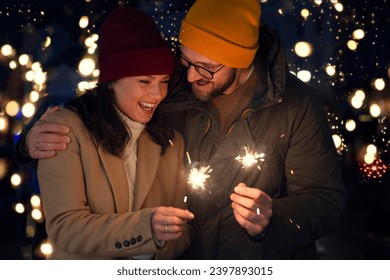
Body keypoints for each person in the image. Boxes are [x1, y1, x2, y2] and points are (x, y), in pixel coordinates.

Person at [16, 0, 347, 259]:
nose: (189, 77)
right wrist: (29, 143)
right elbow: (109, 98)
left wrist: (274, 217)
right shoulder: (172, 83)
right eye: (186, 60)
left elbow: (326, 202)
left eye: (205, 67)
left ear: (241, 60)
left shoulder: (295, 106)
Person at [23, 6, 194, 260]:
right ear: (113, 80)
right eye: (145, 81)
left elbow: (184, 230)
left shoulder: (171, 141)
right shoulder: (66, 130)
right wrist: (145, 229)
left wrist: (154, 250)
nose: (157, 94)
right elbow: (65, 228)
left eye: (164, 81)